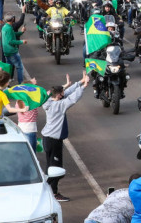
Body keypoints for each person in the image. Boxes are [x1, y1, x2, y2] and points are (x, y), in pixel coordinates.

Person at [42, 72, 90, 202]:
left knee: (49, 167)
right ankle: (52, 192)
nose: (64, 94)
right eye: (62, 93)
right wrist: (84, 86)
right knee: (56, 169)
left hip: (47, 138)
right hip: (54, 141)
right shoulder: (59, 106)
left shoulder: (48, 100)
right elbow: (72, 98)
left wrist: (80, 82)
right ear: (58, 95)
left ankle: (48, 190)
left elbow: (67, 93)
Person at [2, 14, 27, 84]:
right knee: (19, 67)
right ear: (13, 19)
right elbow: (11, 41)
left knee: (9, 69)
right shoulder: (9, 28)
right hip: (12, 51)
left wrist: (21, 32)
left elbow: (13, 34)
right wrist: (21, 41)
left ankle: (6, 82)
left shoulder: (5, 27)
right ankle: (20, 83)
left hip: (7, 51)